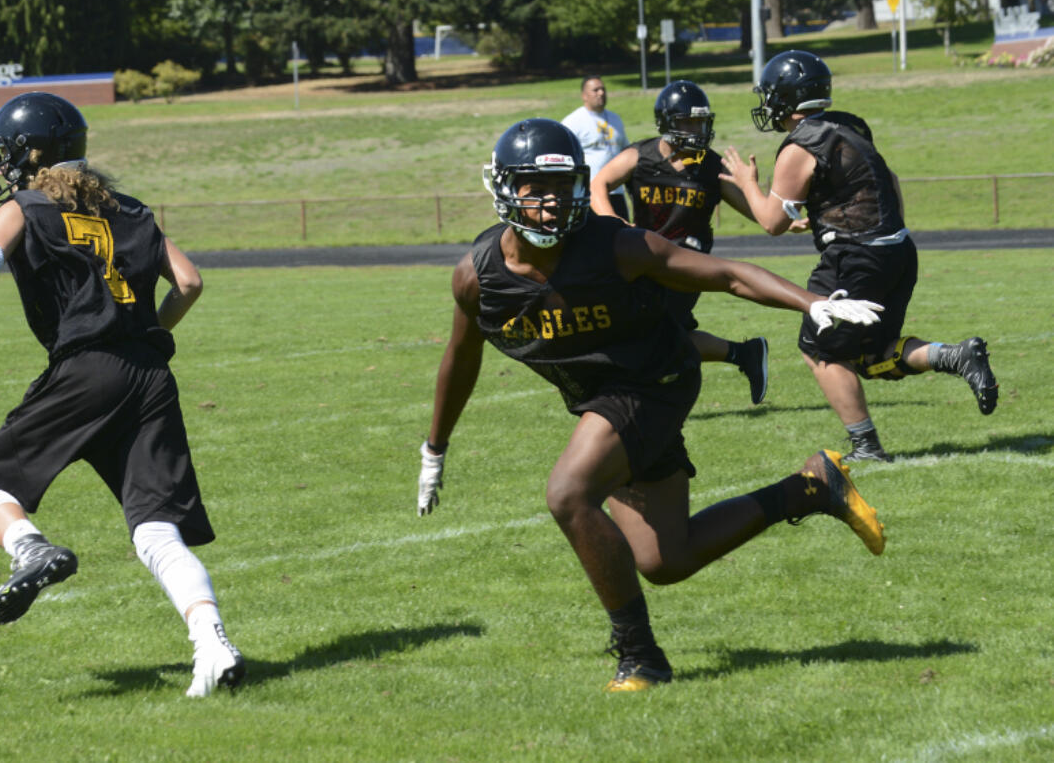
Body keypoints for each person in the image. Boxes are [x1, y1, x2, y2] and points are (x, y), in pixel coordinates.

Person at [417, 117, 887, 693]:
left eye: (562, 188)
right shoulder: (477, 276)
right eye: (534, 187)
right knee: (666, 559)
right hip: (603, 397)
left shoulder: (614, 244)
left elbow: (728, 276)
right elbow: (460, 359)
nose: (549, 202)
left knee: (568, 494)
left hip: (655, 383)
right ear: (503, 189)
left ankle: (639, 656)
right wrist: (434, 448)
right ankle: (813, 486)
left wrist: (810, 302)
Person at [0, 92, 244, 697]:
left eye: (12, 152)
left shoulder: (29, 206)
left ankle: (29, 549)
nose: (7, 165)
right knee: (154, 530)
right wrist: (143, 335)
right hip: (149, 376)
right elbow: (190, 282)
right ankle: (213, 644)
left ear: (36, 153)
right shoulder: (133, 209)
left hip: (86, 371)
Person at [719, 50, 998, 462]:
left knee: (819, 349)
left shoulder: (800, 145)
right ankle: (955, 355)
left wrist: (747, 183)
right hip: (897, 248)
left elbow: (770, 222)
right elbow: (888, 182)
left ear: (785, 98)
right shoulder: (849, 126)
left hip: (856, 256)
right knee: (871, 356)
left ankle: (866, 446)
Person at [591, 79, 769, 404]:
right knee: (670, 336)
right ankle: (744, 353)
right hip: (645, 261)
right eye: (687, 121)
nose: (695, 129)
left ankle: (645, 396)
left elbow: (759, 212)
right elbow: (599, 183)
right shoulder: (640, 156)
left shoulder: (711, 166)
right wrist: (613, 222)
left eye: (700, 122)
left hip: (688, 264)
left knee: (651, 337)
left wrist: (769, 200)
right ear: (667, 122)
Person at [562, 76, 630, 221]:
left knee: (623, 236)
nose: (601, 93)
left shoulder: (615, 119)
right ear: (584, 96)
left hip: (616, 191)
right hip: (589, 194)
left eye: (603, 89)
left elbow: (626, 150)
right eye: (595, 90)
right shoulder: (573, 122)